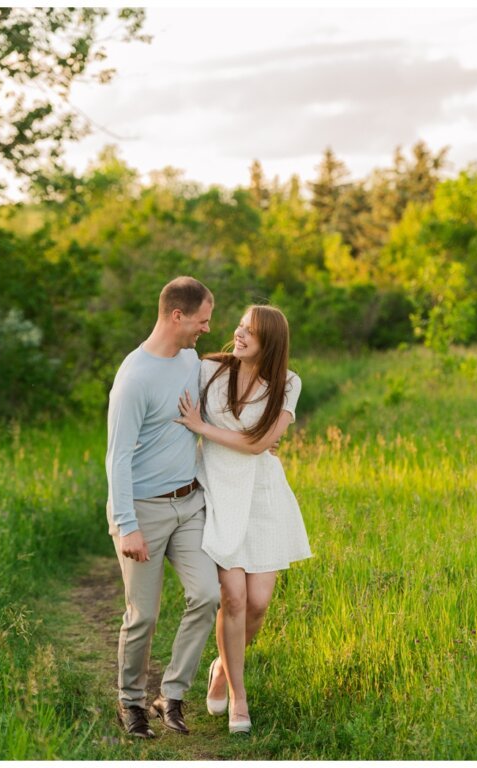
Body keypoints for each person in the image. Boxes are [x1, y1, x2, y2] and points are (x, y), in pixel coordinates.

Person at [174, 304, 311, 735]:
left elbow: (260, 444)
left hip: (264, 495)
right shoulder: (209, 370)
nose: (238, 334)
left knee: (257, 603)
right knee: (232, 596)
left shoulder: (288, 383)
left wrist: (202, 427)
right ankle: (238, 695)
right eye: (239, 327)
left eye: (250, 331)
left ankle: (220, 666)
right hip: (218, 489)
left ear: (269, 341)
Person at [106, 276, 221, 739]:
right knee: (143, 615)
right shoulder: (134, 377)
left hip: (189, 503)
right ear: (177, 315)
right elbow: (117, 457)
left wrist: (256, 441)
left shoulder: (190, 359)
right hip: (143, 511)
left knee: (207, 595)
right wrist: (126, 525)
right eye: (202, 320)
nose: (206, 329)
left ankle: (170, 694)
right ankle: (129, 702)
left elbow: (211, 412)